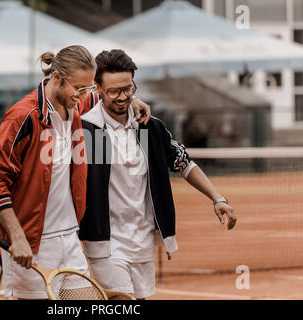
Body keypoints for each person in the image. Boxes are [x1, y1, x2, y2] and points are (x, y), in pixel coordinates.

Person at [0, 45, 151, 299]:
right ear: (57, 78)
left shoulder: (76, 104)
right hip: (32, 245)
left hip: (70, 240)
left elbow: (104, 96)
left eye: (88, 89)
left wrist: (132, 100)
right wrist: (17, 237)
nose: (84, 96)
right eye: (79, 89)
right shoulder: (23, 116)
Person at [79, 49, 237, 300]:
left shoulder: (148, 126)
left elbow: (183, 163)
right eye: (113, 91)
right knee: (123, 301)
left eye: (128, 89)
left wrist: (217, 198)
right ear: (97, 87)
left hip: (142, 240)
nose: (122, 97)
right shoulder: (89, 129)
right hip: (104, 242)